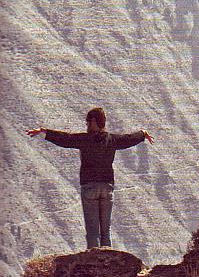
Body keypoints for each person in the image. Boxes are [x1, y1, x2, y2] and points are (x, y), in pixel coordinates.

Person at [27, 107, 154, 249]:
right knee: (106, 232)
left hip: (89, 188)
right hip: (107, 188)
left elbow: (66, 139)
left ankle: (94, 267)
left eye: (88, 122)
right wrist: (142, 134)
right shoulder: (112, 140)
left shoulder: (84, 139)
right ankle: (108, 264)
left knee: (93, 233)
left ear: (93, 121)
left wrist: (44, 132)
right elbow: (128, 139)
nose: (86, 125)